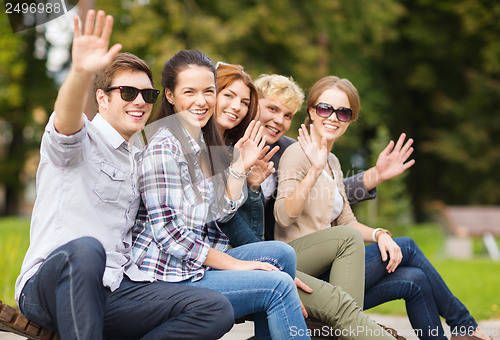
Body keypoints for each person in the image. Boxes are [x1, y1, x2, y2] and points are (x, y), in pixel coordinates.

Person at [15, 11, 234, 340]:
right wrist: (80, 72)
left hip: (114, 289)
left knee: (215, 308)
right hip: (51, 285)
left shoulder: (142, 157)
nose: (140, 102)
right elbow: (66, 118)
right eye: (128, 93)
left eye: (148, 95)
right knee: (86, 250)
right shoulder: (82, 141)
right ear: (101, 98)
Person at [274, 75, 491, 340]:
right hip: (306, 270)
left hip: (336, 268)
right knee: (408, 246)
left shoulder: (332, 161)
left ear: (351, 119)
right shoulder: (297, 154)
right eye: (324, 108)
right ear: (311, 111)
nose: (333, 117)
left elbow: (347, 221)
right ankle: (466, 326)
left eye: (343, 112)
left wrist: (379, 234)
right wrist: (313, 170)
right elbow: (283, 217)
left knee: (415, 280)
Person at [132, 50, 310, 339]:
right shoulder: (165, 146)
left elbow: (217, 212)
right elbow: (169, 234)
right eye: (190, 92)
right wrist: (239, 265)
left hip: (188, 267)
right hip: (166, 275)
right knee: (276, 284)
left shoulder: (197, 143)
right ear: (170, 95)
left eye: (208, 92)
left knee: (281, 254)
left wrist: (239, 167)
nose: (201, 101)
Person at [218, 71, 402, 339]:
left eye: (287, 115)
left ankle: (462, 327)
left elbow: (331, 197)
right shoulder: (241, 149)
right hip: (260, 256)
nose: (279, 121)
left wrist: (374, 183)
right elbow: (239, 219)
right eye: (271, 109)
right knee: (348, 291)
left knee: (408, 276)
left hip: (274, 253)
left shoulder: (292, 149)